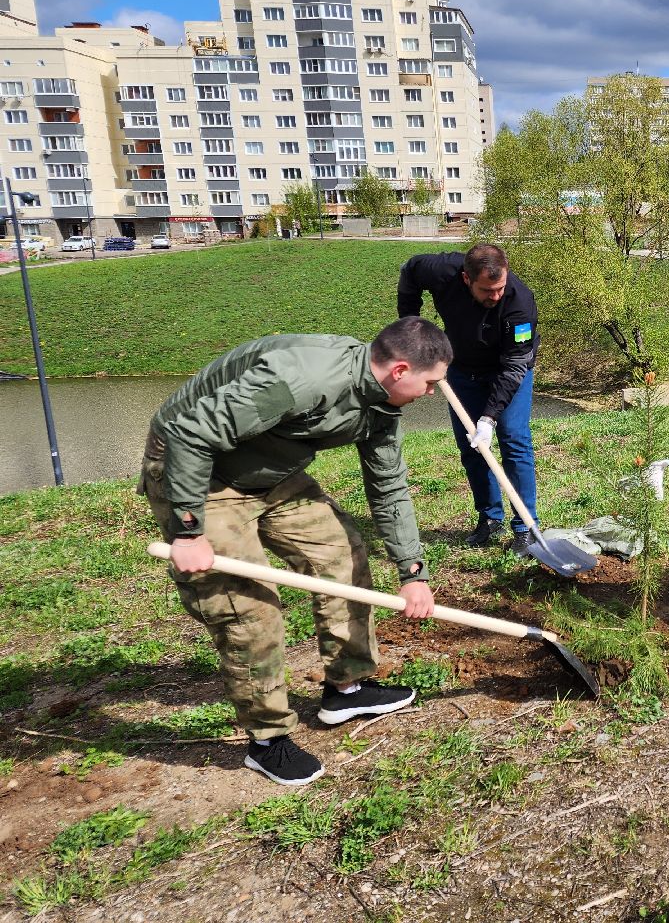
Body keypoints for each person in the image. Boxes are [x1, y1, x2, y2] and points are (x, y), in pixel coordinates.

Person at [139, 318, 451, 786]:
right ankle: (268, 740)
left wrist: (412, 571)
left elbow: (388, 486)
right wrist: (187, 529)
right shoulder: (304, 380)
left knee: (342, 554)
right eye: (430, 384)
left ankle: (346, 686)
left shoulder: (382, 403)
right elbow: (190, 433)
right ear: (401, 369)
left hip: (272, 473)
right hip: (200, 473)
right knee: (250, 609)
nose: (432, 394)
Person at [398, 244, 539, 550]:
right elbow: (409, 272)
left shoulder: (520, 303)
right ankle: (489, 518)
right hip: (462, 368)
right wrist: (409, 327)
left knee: (514, 441)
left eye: (500, 288)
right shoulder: (438, 271)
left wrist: (489, 418)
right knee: (471, 445)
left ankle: (525, 527)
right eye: (487, 290)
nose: (496, 296)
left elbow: (515, 365)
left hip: (507, 370)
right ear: (466, 279)